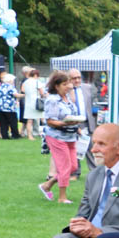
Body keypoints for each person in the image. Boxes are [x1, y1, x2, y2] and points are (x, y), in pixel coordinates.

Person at [39, 72, 82, 204]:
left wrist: (76, 126)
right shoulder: (52, 100)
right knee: (65, 167)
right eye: (65, 84)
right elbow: (50, 121)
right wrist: (65, 123)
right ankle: (62, 197)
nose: (68, 86)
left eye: (69, 83)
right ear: (56, 86)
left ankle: (47, 185)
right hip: (57, 137)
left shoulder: (67, 98)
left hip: (71, 136)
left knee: (73, 167)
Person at [0, 70, 21, 139]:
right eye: (12, 80)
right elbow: (15, 94)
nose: (13, 81)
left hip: (0, 106)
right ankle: (15, 135)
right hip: (9, 107)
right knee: (13, 121)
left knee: (3, 122)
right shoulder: (11, 87)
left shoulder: (1, 86)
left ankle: (5, 135)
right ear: (10, 80)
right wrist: (23, 95)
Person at [21, 67, 43, 140]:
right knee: (42, 118)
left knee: (29, 121)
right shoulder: (37, 82)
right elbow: (42, 93)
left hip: (28, 102)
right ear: (35, 75)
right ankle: (45, 133)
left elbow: (23, 90)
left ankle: (30, 136)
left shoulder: (25, 82)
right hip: (36, 103)